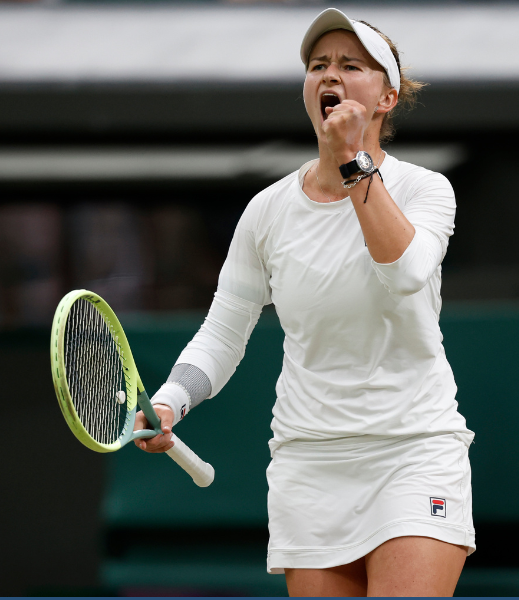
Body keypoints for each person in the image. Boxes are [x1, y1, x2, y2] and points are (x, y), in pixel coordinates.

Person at [131, 8, 474, 596]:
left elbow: (406, 274)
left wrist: (351, 162)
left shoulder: (425, 189)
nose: (329, 77)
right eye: (318, 66)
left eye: (350, 66)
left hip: (415, 452)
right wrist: (169, 403)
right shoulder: (266, 211)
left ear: (387, 97)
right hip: (310, 464)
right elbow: (223, 332)